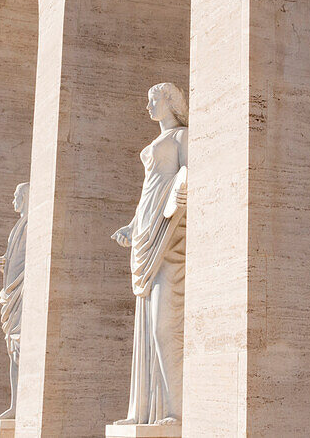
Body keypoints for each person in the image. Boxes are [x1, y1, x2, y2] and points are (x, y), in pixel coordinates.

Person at [112, 83, 189, 427]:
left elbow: (187, 176)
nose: (147, 106)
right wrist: (132, 225)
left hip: (169, 234)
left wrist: (178, 198)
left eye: (153, 99)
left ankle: (177, 409)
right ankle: (141, 412)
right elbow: (149, 189)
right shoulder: (159, 143)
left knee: (163, 326)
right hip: (146, 232)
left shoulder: (181, 138)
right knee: (145, 328)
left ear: (170, 102)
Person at [0, 181, 28, 421]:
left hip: (22, 293)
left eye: (16, 196)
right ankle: (14, 405)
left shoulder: (30, 223)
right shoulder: (17, 226)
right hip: (12, 294)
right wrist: (4, 262)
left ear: (25, 197)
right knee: (12, 350)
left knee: (20, 348)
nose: (12, 200)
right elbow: (16, 257)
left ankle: (20, 405)